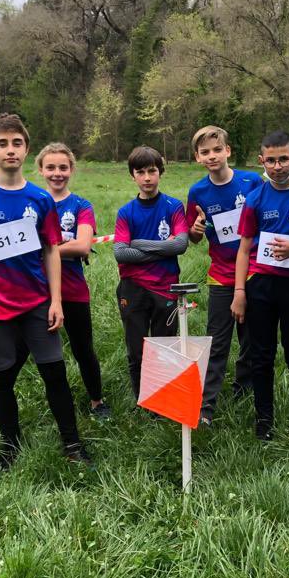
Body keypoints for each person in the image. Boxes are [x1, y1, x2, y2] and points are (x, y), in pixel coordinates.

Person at [0, 113, 90, 468]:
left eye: (16, 143)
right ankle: (9, 448)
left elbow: (50, 251)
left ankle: (72, 445)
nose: (10, 150)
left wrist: (56, 300)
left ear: (26, 149)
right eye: (2, 144)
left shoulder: (41, 200)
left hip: (37, 305)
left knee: (55, 374)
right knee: (1, 379)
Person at [231, 131, 289, 441]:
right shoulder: (255, 199)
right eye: (271, 160)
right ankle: (264, 420)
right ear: (261, 161)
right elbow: (243, 249)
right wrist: (240, 292)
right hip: (261, 287)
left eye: (284, 159)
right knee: (261, 356)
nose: (278, 166)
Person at [186, 125, 263, 426]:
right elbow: (195, 235)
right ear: (197, 158)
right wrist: (194, 232)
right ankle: (206, 405)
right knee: (217, 340)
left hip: (256, 271)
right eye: (205, 152)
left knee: (251, 337)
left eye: (217, 150)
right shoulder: (198, 192)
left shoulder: (252, 181)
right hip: (221, 275)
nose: (212, 156)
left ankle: (245, 389)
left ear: (228, 151)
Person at [35, 142, 110, 420]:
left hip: (73, 290)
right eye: (51, 167)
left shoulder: (81, 205)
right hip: (35, 291)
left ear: (71, 170)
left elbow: (81, 246)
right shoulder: (31, 202)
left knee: (83, 348)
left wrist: (42, 250)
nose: (57, 173)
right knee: (22, 349)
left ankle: (97, 401)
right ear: (41, 170)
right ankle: (2, 398)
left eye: (63, 167)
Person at [113, 145, 189, 399]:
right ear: (132, 175)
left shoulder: (174, 206)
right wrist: (163, 249)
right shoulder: (126, 212)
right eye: (141, 172)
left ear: (161, 172)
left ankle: (162, 399)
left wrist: (138, 243)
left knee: (164, 346)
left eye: (152, 171)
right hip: (133, 288)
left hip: (166, 287)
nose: (147, 178)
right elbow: (121, 253)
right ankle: (142, 398)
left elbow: (180, 245)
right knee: (136, 349)